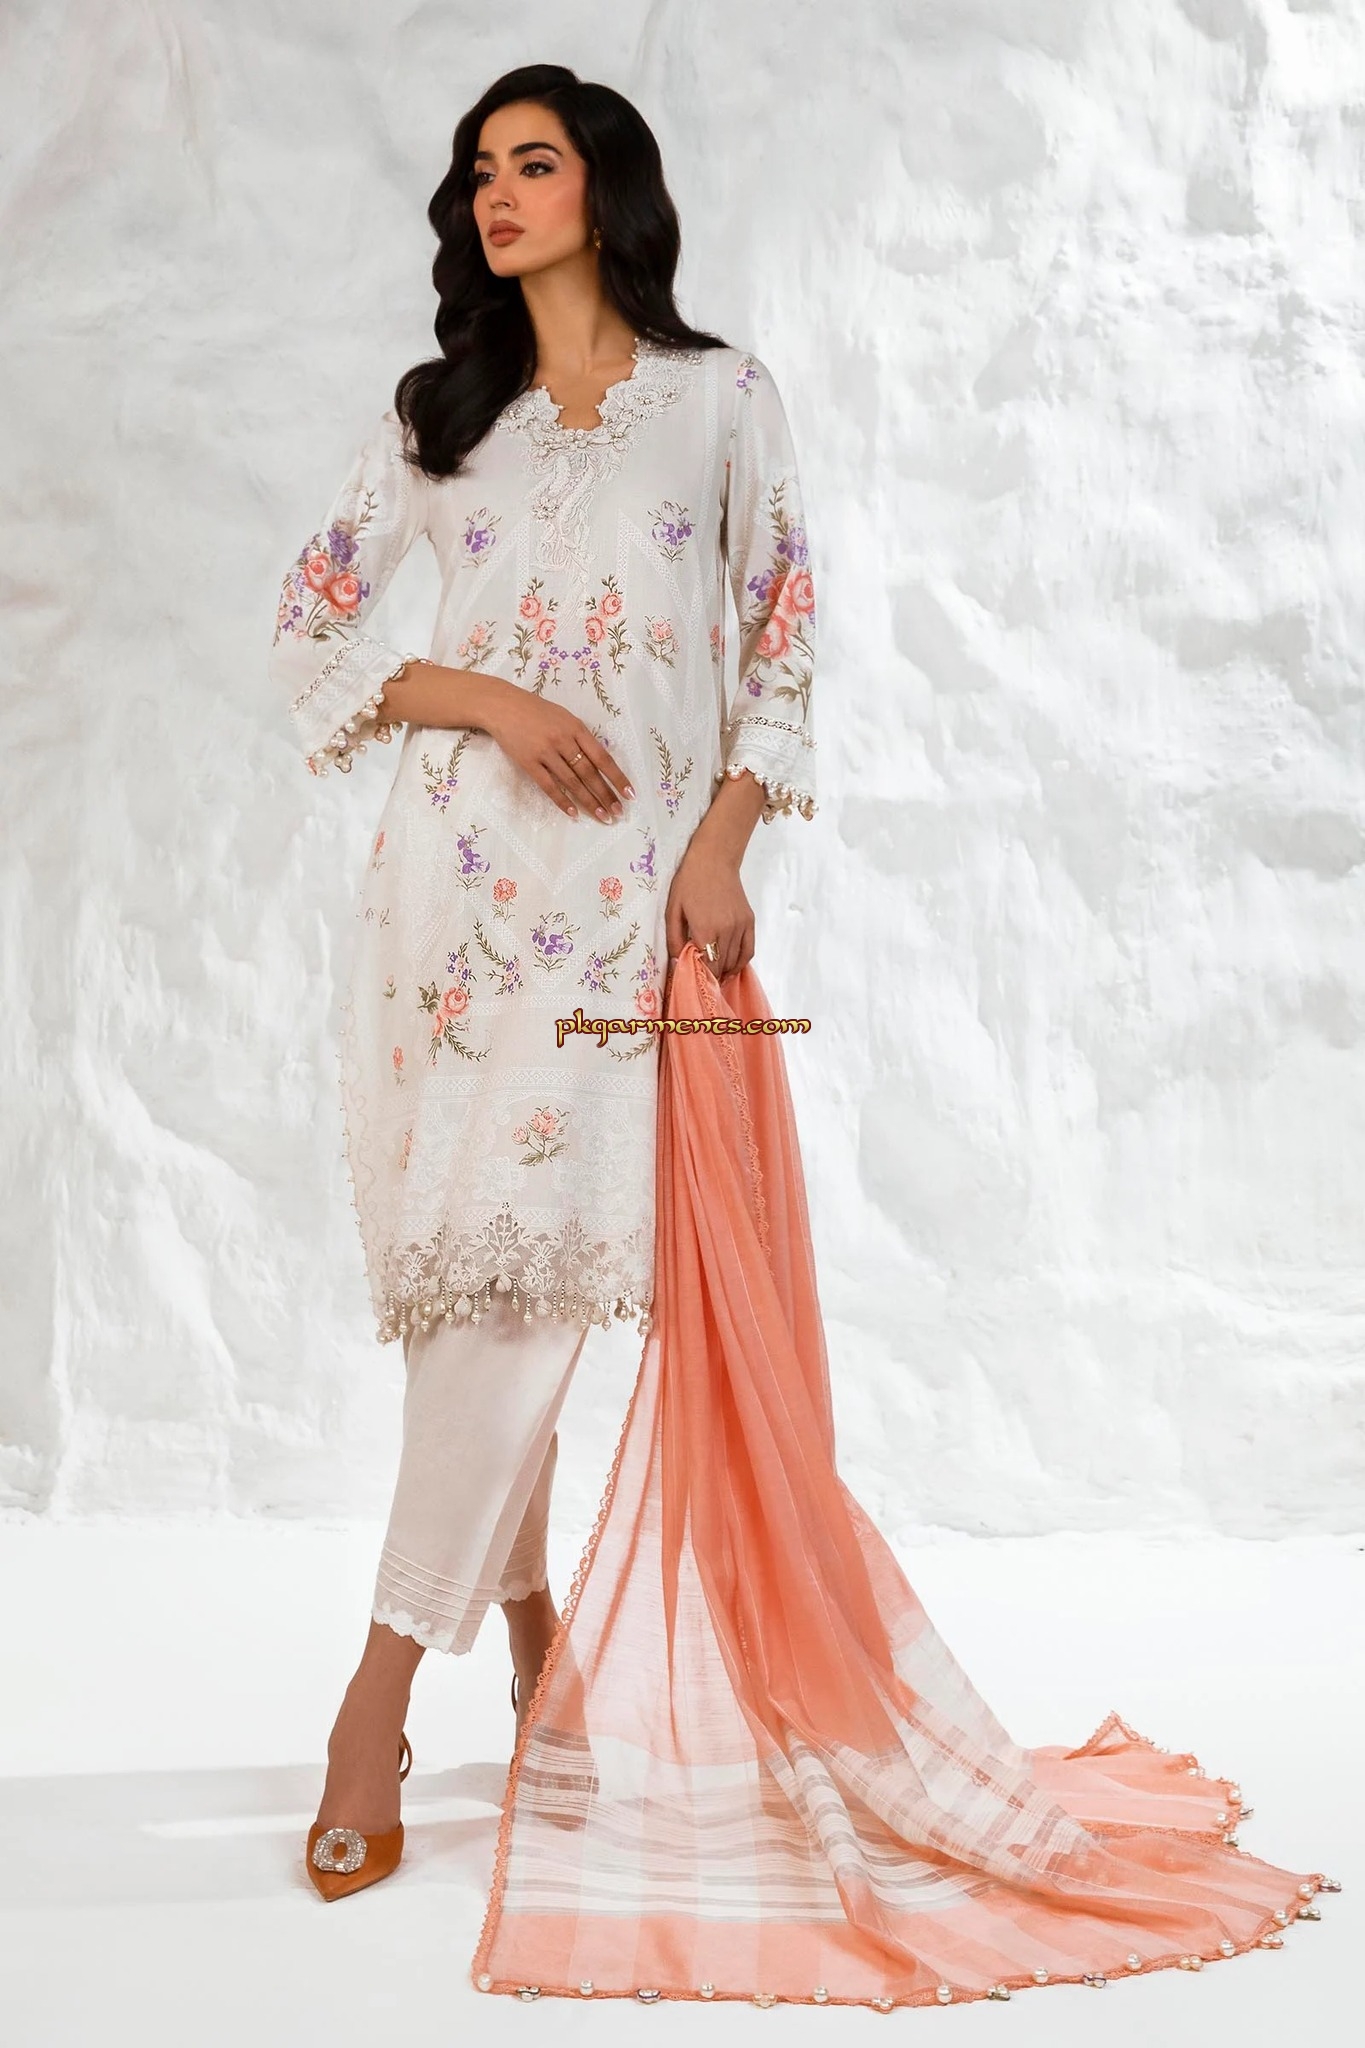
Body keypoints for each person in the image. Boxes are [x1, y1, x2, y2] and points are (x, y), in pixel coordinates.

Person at [266, 62, 816, 1898]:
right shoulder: (442, 415)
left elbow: (783, 649)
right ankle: (532, 1635)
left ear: (607, 187)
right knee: (475, 1298)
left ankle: (371, 1700)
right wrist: (488, 696)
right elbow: (311, 628)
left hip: (626, 917)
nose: (496, 195)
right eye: (478, 172)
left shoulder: (720, 401)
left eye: (533, 164)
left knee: (524, 1286)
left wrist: (722, 844)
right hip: (441, 915)